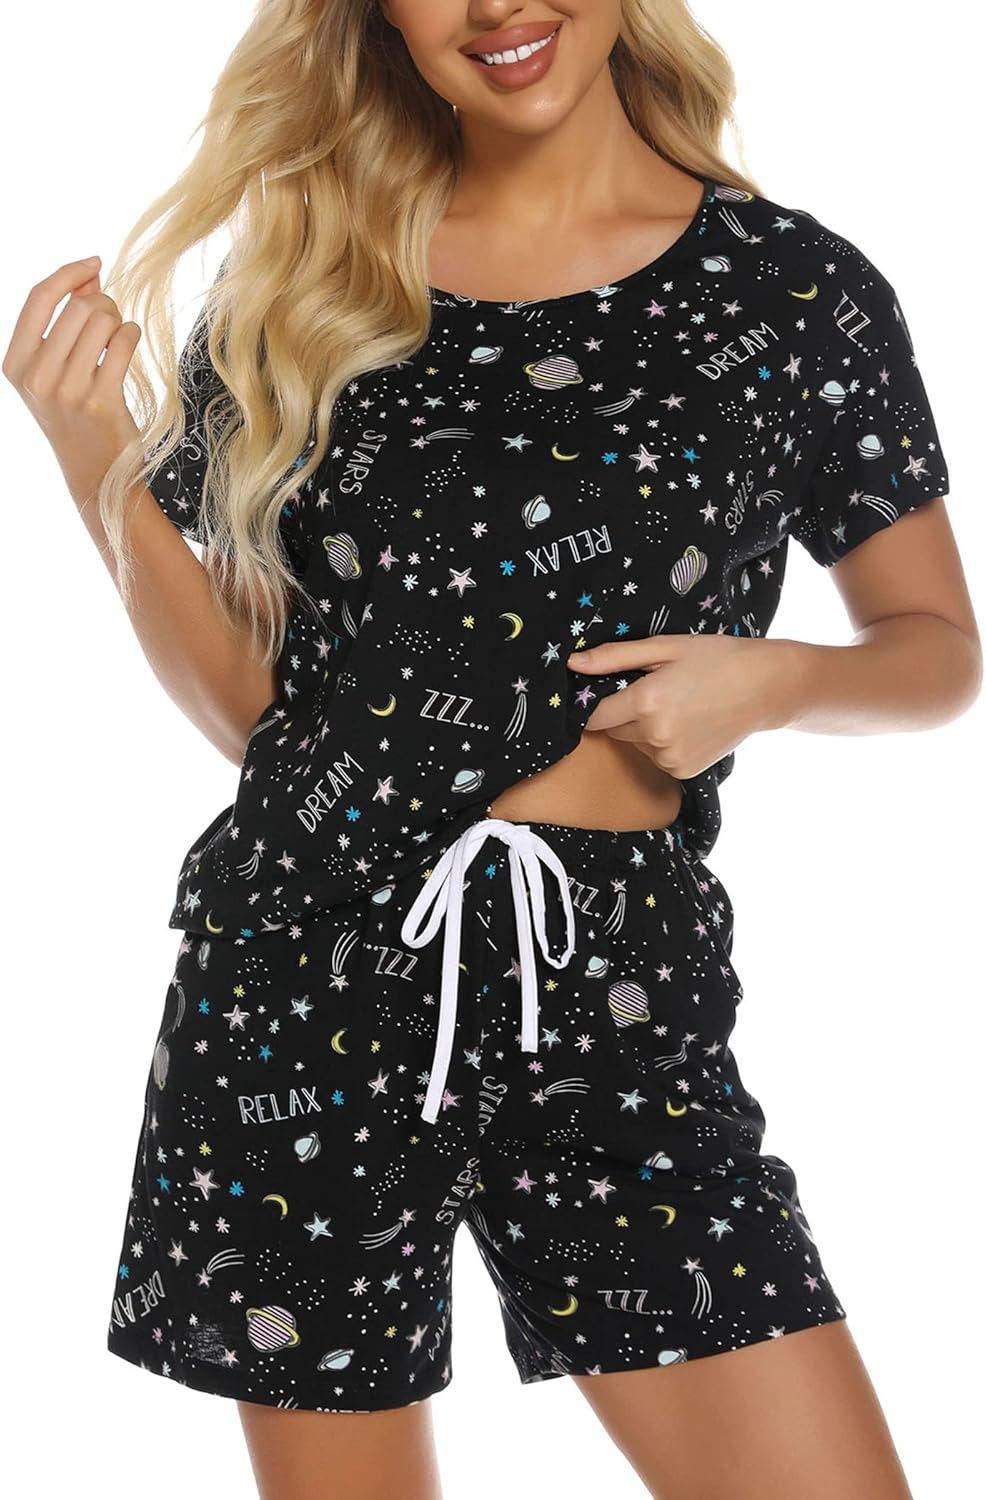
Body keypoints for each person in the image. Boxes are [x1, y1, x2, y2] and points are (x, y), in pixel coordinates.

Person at [4, 3, 979, 1497]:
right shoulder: (305, 285)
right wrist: (98, 472)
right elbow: (266, 720)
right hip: (306, 980)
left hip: (614, 986)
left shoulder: (789, 288)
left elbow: (938, 649)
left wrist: (776, 680)